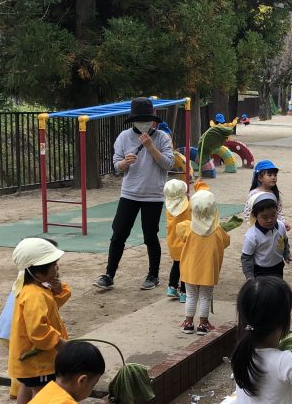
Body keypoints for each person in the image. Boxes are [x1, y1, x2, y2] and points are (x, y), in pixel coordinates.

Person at [94, 97, 175, 291]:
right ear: (133, 120)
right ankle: (109, 275)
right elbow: (117, 166)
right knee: (119, 233)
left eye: (147, 119)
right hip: (129, 193)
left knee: (150, 235)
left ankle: (153, 275)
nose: (144, 122)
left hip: (153, 195)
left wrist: (150, 147)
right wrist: (124, 163)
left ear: (153, 119)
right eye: (140, 119)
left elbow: (169, 164)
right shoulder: (124, 137)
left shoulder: (162, 137)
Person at [8, 237, 70, 404]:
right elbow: (38, 330)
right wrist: (58, 343)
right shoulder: (35, 295)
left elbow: (53, 306)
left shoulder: (34, 288)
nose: (57, 267)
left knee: (27, 386)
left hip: (28, 359)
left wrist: (58, 289)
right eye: (53, 265)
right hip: (38, 360)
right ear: (39, 272)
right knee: (41, 393)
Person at [175, 189, 230, 335]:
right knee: (205, 296)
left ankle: (188, 323)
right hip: (208, 270)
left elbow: (179, 234)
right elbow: (226, 242)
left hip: (190, 269)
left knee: (191, 296)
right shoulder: (217, 230)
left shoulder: (187, 227)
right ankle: (203, 324)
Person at [241, 192, 292, 280]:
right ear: (255, 216)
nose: (270, 220)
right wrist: (249, 277)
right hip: (260, 270)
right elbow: (246, 258)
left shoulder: (281, 226)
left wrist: (287, 255)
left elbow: (284, 241)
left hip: (278, 266)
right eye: (264, 217)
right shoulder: (251, 236)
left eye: (273, 215)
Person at [163, 179, 191, 302]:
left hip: (173, 242)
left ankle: (172, 287)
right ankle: (184, 292)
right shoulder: (189, 206)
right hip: (186, 242)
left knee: (176, 264)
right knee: (186, 267)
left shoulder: (169, 209)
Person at [242, 159, 289, 230]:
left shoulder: (275, 194)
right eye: (269, 175)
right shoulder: (254, 193)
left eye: (275, 175)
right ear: (260, 178)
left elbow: (279, 211)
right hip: (258, 228)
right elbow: (247, 212)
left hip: (273, 227)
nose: (273, 177)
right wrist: (253, 226)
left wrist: (283, 223)